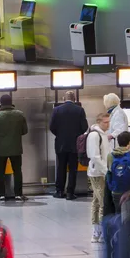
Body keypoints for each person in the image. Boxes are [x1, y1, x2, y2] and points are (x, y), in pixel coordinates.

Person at [49, 90, 87, 201]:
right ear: (74, 99)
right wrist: (76, 135)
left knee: (61, 167)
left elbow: (52, 127)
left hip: (60, 143)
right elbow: (84, 127)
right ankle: (70, 193)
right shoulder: (80, 110)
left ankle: (59, 191)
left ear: (64, 99)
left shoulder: (56, 110)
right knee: (73, 169)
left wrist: (60, 135)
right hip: (75, 144)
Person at [85, 112, 111, 243]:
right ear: (99, 122)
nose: (108, 124)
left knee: (96, 202)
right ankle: (100, 232)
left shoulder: (103, 135)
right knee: (103, 203)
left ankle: (96, 232)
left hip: (101, 172)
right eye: (105, 122)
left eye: (109, 121)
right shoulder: (95, 135)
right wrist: (106, 170)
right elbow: (95, 156)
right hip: (97, 173)